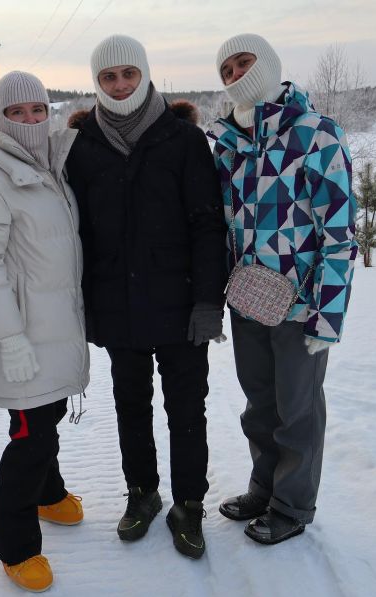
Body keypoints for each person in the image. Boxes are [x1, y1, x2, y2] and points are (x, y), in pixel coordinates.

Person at [65, 34, 227, 559]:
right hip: (117, 305)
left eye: (127, 74)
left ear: (144, 75)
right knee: (130, 404)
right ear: (98, 83)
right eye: (108, 77)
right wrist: (86, 306)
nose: (119, 85)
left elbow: (207, 225)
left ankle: (188, 505)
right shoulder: (82, 146)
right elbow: (77, 232)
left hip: (180, 305)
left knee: (186, 409)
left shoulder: (181, 139)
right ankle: (143, 493)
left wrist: (207, 302)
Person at [209, 33, 358, 544]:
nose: (234, 75)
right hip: (249, 299)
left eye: (243, 63)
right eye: (226, 70)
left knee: (297, 409)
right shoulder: (228, 144)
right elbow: (223, 226)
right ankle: (264, 486)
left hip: (301, 305)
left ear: (268, 65)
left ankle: (292, 505)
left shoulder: (315, 134)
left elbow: (340, 234)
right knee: (260, 404)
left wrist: (328, 316)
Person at [0, 71, 89, 593]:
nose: (31, 121)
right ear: (1, 119)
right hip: (23, 336)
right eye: (18, 113)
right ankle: (16, 546)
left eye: (39, 110)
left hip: (55, 324)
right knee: (28, 436)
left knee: (49, 414)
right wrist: (9, 337)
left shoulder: (49, 165)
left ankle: (49, 493)